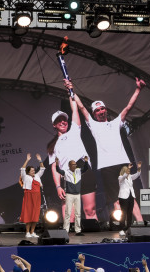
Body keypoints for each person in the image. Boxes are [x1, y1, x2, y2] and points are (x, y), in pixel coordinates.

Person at [76, 77, 144, 223]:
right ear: (94, 114)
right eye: (97, 110)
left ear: (106, 110)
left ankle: (140, 222)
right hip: (106, 167)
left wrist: (138, 89)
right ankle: (122, 225)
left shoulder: (116, 122)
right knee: (116, 199)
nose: (100, 111)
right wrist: (71, 91)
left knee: (130, 195)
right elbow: (81, 108)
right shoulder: (93, 125)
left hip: (122, 164)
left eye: (102, 108)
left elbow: (128, 107)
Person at [54, 82, 98, 226]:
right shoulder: (52, 146)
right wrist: (58, 186)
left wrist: (71, 92)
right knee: (70, 214)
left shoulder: (74, 130)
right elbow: (54, 167)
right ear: (54, 125)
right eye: (58, 120)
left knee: (90, 210)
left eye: (64, 119)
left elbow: (75, 111)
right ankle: (70, 244)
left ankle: (96, 244)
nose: (62, 122)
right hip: (68, 176)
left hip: (83, 170)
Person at [19, 153, 44, 238]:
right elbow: (22, 169)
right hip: (29, 196)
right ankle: (27, 232)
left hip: (37, 197)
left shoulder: (37, 176)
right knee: (29, 214)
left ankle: (32, 232)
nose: (34, 171)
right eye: (32, 170)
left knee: (35, 215)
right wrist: (27, 160)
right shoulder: (25, 177)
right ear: (28, 172)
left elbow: (42, 169)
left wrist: (40, 160)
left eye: (34, 170)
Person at [59, 159, 84, 236]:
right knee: (68, 213)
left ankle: (78, 230)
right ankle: (65, 230)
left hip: (77, 194)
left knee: (78, 213)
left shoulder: (78, 171)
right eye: (73, 164)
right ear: (69, 166)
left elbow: (86, 168)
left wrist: (86, 162)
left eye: (75, 164)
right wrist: (57, 164)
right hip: (69, 194)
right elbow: (58, 170)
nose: (75, 166)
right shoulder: (66, 172)